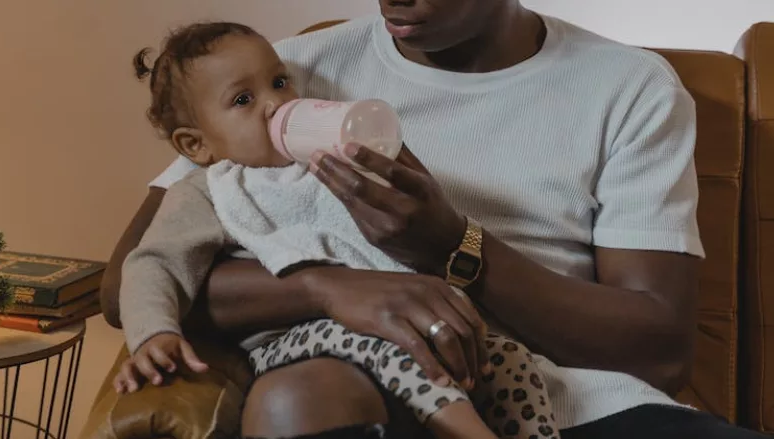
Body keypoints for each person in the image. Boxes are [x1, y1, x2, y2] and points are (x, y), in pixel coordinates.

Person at [101, 1, 770, 438]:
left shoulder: (628, 88)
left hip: (568, 396)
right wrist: (325, 287)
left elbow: (661, 348)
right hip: (364, 382)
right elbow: (131, 275)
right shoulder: (287, 70)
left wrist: (453, 245)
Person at [114, 21, 560, 439]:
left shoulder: (330, 161)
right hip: (302, 338)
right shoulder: (210, 190)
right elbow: (155, 262)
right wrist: (153, 332)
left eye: (279, 81)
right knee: (395, 345)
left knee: (510, 361)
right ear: (197, 144)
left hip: (403, 318)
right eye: (242, 100)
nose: (275, 103)